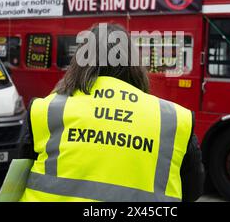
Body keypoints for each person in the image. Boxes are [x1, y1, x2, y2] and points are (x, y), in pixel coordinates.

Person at [19, 23, 204, 202]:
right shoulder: (173, 119)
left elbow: (17, 177)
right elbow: (192, 190)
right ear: (134, 63)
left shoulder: (45, 110)